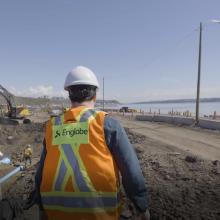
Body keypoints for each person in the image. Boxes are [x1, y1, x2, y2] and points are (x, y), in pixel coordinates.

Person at [33, 66, 150, 220]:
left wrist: (41, 207)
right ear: (94, 95)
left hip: (57, 213)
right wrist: (142, 206)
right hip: (100, 214)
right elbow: (131, 171)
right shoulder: (106, 124)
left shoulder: (52, 127)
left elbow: (41, 173)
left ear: (69, 95)